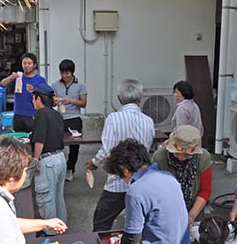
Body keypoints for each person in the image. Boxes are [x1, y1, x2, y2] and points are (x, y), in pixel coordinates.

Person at [86, 79, 154, 234]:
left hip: (117, 181)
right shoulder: (149, 121)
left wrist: (94, 163)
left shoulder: (113, 118)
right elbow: (147, 150)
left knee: (101, 223)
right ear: (140, 98)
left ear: (119, 98)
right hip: (141, 181)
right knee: (139, 223)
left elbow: (107, 150)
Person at [151, 125, 212, 225]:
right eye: (178, 153)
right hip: (165, 210)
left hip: (194, 209)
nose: (182, 158)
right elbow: (154, 190)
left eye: (187, 155)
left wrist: (191, 215)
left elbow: (205, 190)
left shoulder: (203, 158)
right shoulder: (159, 157)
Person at [32, 83, 67, 224]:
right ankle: (60, 225)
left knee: (46, 197)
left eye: (33, 99)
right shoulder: (57, 114)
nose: (33, 102)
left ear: (39, 99)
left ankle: (50, 231)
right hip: (60, 158)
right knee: (58, 195)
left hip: (48, 161)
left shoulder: (41, 113)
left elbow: (40, 139)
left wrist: (35, 159)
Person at [51, 59, 87, 182]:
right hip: (59, 117)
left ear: (72, 73)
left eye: (67, 73)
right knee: (56, 143)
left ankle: (70, 168)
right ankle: (58, 169)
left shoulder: (80, 85)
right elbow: (51, 100)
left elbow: (83, 103)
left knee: (74, 146)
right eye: (62, 73)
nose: (64, 76)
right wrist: (54, 101)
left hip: (74, 118)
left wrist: (70, 101)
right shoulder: (55, 84)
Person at [0, 53, 48, 133]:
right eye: (24, 63)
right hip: (18, 114)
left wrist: (34, 89)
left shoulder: (40, 80)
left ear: (34, 65)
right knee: (19, 140)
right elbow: (2, 84)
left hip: (33, 114)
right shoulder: (18, 77)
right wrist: (11, 77)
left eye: (29, 63)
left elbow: (46, 96)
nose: (26, 66)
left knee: (33, 139)